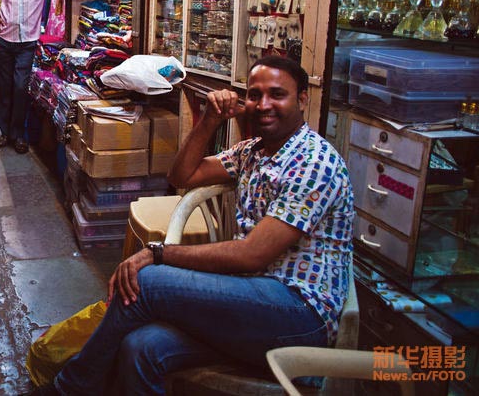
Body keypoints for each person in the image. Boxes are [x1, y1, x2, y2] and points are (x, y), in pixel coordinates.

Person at [34, 56, 354, 395]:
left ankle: (67, 389)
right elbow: (181, 175)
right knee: (142, 347)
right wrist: (210, 120)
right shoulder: (254, 152)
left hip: (299, 317)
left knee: (147, 282)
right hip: (252, 305)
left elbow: (251, 256)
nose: (263, 105)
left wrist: (158, 254)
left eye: (278, 95)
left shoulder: (313, 161)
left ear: (302, 99)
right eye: (255, 94)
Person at [0, 0, 109, 153]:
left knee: (21, 87)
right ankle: (5, 132)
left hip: (27, 43)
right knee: (4, 88)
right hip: (4, 40)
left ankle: (18, 133)